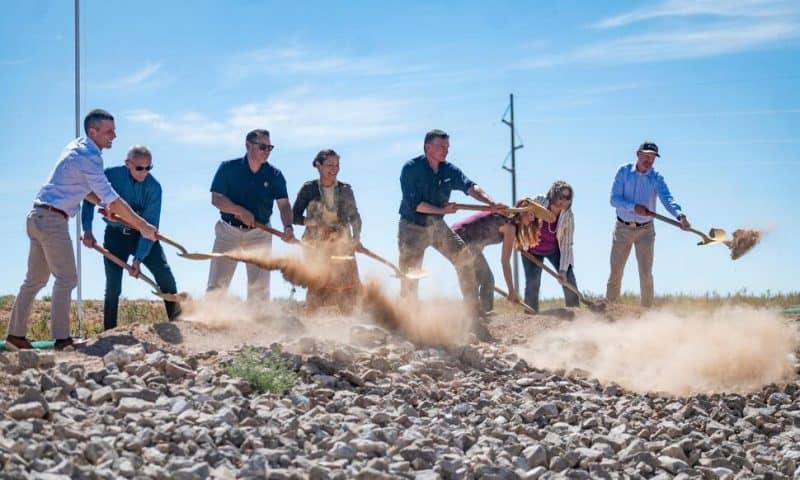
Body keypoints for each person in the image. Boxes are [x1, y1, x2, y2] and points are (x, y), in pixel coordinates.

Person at [5, 109, 157, 350]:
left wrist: (105, 205)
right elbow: (112, 197)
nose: (114, 136)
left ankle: (14, 337)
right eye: (109, 131)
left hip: (37, 216)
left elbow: (84, 190)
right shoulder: (89, 156)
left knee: (34, 280)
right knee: (67, 278)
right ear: (92, 131)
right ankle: (63, 341)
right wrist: (143, 226)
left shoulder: (77, 146)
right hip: (52, 220)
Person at [398, 129, 506, 319]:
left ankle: (472, 310)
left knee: (463, 258)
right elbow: (416, 205)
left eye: (447, 147)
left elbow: (470, 186)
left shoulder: (449, 170)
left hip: (437, 226)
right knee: (411, 274)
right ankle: (407, 316)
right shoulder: (410, 169)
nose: (445, 150)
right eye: (441, 146)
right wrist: (442, 211)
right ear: (427, 147)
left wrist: (490, 203)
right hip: (411, 227)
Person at [81, 145, 181, 330]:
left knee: (165, 277)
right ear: (127, 164)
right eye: (139, 168)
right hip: (115, 236)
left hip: (142, 238)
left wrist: (138, 258)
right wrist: (87, 229)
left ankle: (179, 325)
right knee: (113, 286)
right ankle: (109, 332)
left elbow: (150, 226)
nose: (144, 173)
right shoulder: (109, 176)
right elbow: (88, 196)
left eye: (148, 168)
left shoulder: (154, 188)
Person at [206, 129, 294, 302]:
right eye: (262, 147)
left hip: (260, 234)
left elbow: (284, 205)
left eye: (270, 148)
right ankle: (208, 322)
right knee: (217, 284)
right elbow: (216, 199)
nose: (267, 152)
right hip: (228, 232)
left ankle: (257, 325)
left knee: (260, 288)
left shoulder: (275, 175)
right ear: (248, 145)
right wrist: (239, 210)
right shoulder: (227, 168)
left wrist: (288, 227)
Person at [606, 141, 690, 308]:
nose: (649, 160)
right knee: (616, 272)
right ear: (638, 154)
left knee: (646, 273)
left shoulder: (656, 178)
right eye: (646, 156)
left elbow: (668, 199)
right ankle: (610, 309)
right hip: (622, 228)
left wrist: (680, 215)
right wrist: (633, 207)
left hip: (645, 231)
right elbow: (614, 199)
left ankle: (646, 312)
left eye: (652, 157)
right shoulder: (623, 172)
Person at [292, 149, 362, 313]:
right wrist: (314, 223)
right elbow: (294, 217)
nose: (334, 169)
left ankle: (351, 326)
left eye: (337, 165)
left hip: (342, 243)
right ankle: (310, 326)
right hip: (315, 244)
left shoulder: (345, 189)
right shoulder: (308, 189)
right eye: (330, 165)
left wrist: (356, 238)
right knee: (317, 283)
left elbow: (355, 217)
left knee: (348, 285)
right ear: (318, 165)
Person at [452, 198, 541, 315]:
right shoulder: (509, 226)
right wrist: (511, 290)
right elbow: (505, 261)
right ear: (522, 211)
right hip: (461, 239)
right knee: (487, 280)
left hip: (456, 237)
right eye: (530, 214)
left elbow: (479, 233)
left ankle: (472, 317)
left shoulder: (507, 219)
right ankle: (484, 314)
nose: (532, 218)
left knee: (475, 281)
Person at [522, 181, 580, 312]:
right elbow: (521, 216)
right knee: (533, 282)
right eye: (561, 196)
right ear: (553, 195)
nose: (563, 201)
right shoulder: (539, 202)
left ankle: (575, 311)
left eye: (567, 198)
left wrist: (563, 270)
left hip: (554, 250)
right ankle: (530, 315)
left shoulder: (568, 217)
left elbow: (566, 245)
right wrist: (528, 214)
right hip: (531, 250)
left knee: (568, 277)